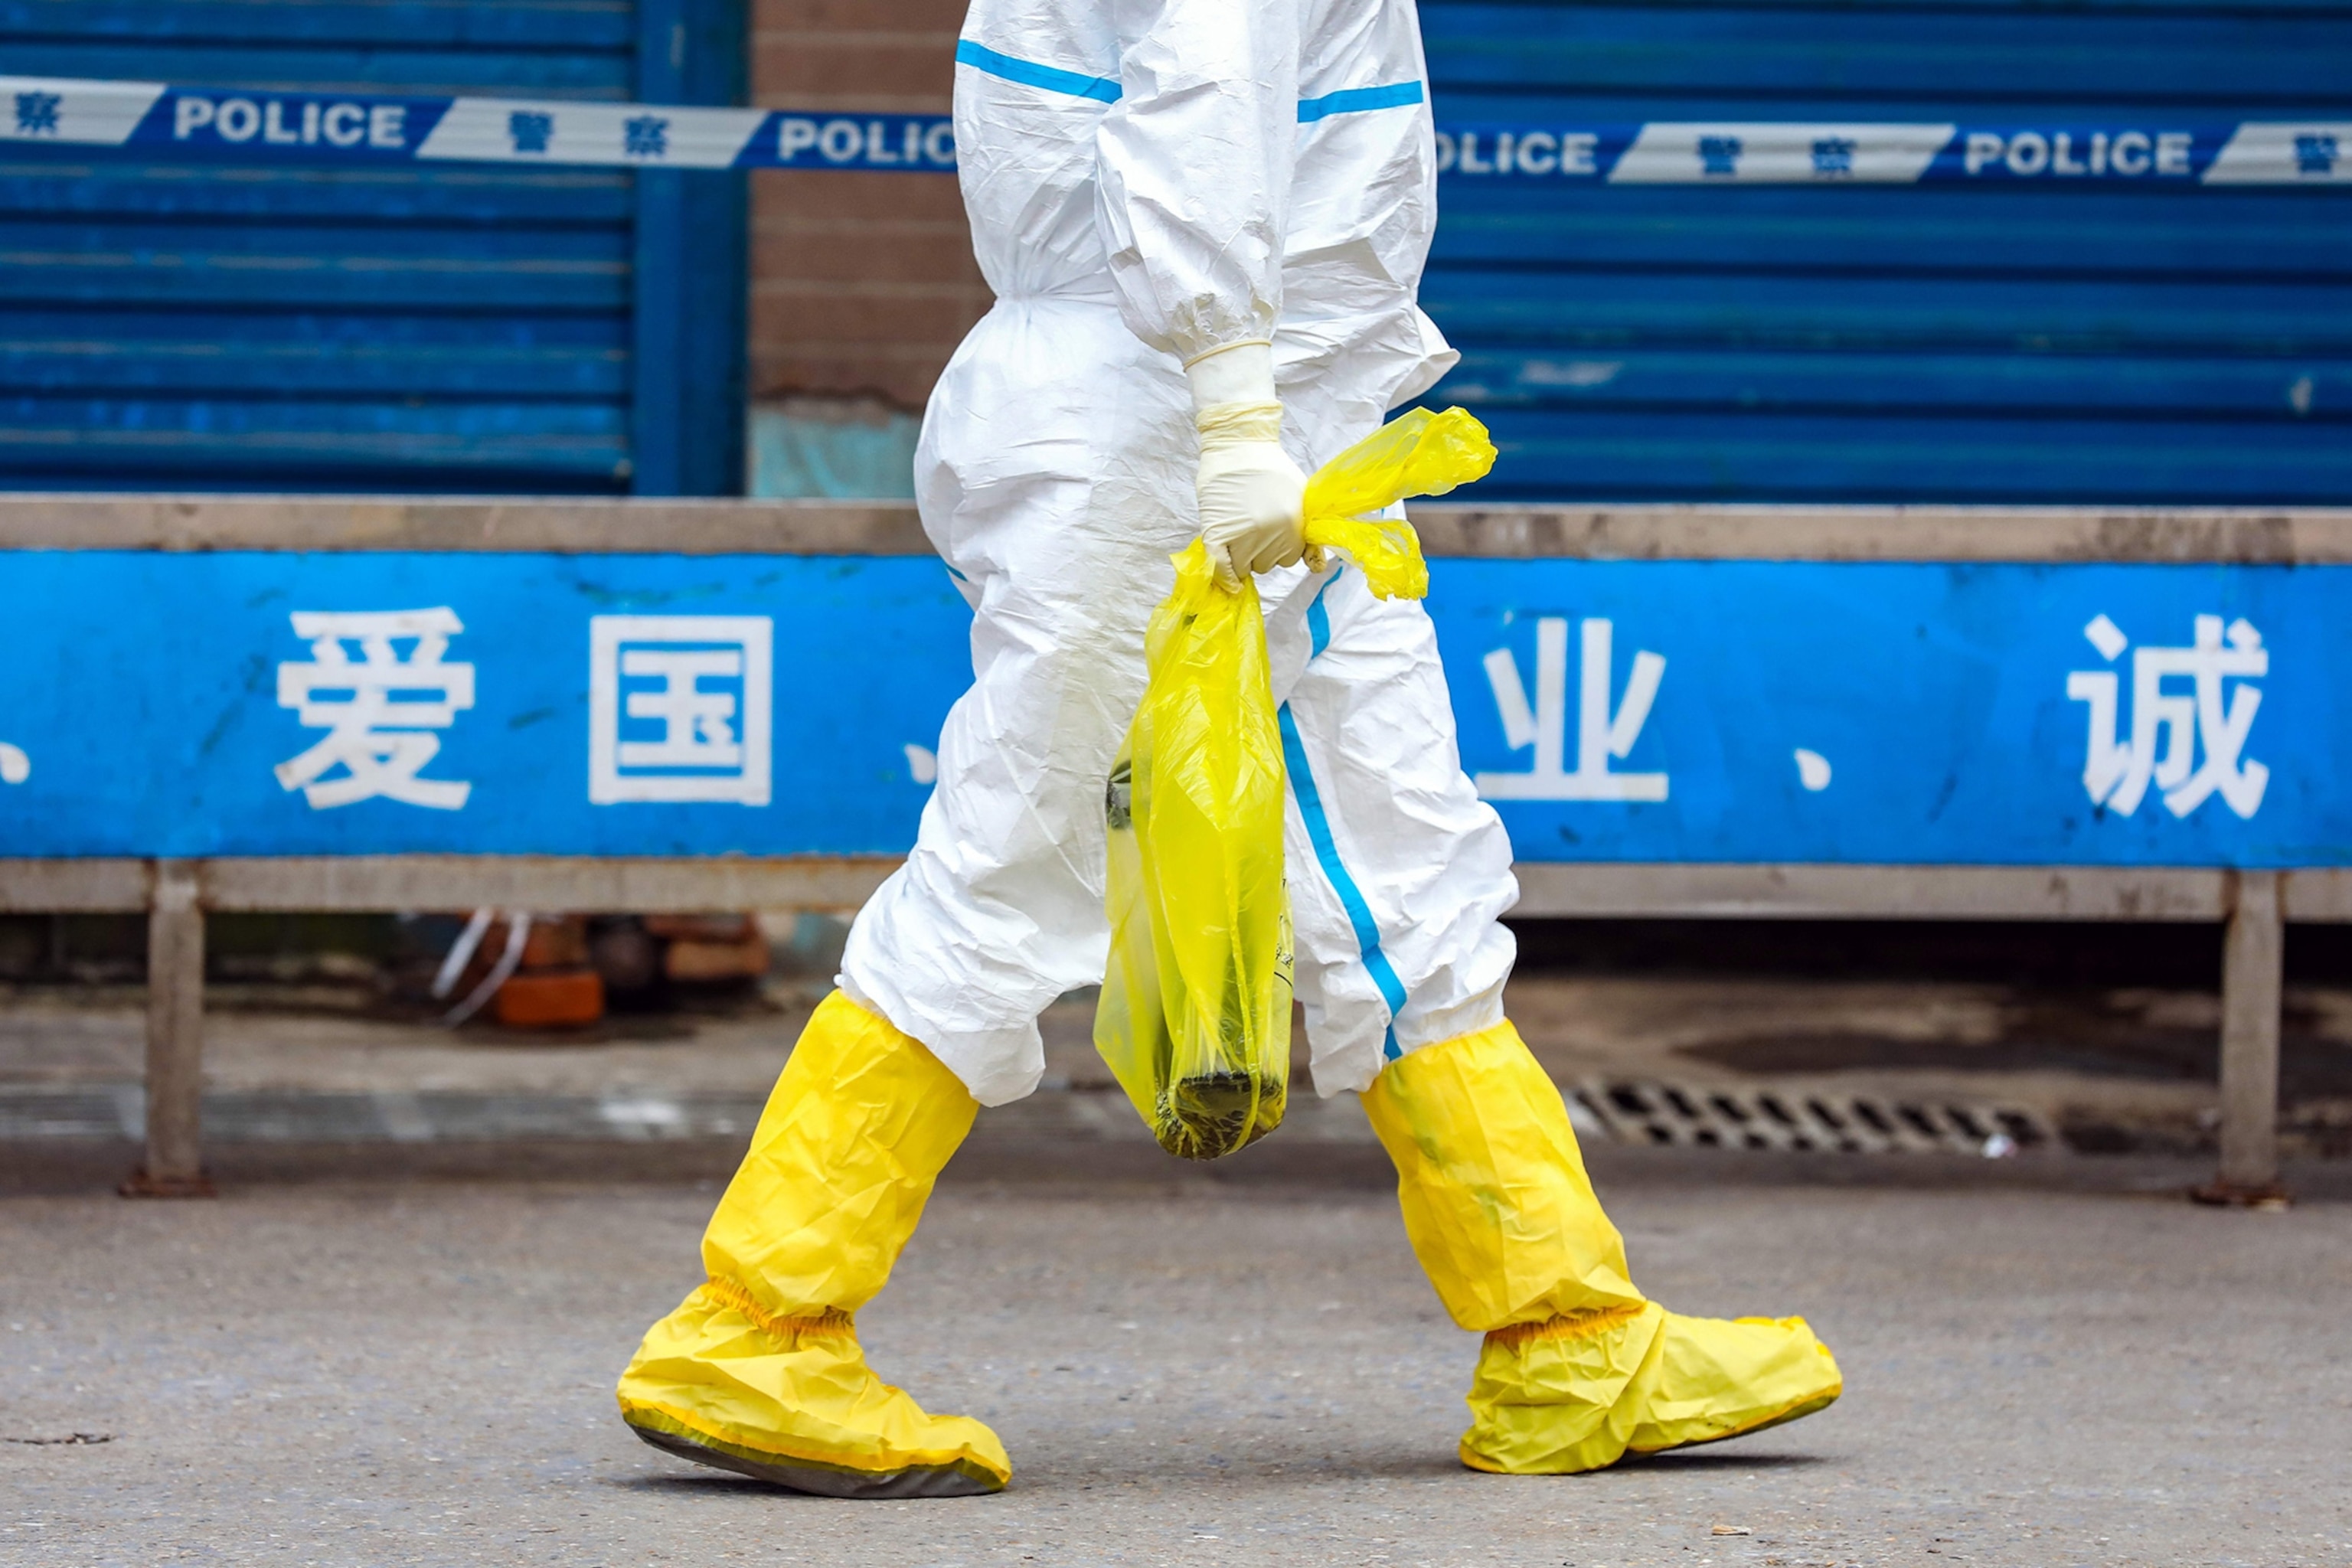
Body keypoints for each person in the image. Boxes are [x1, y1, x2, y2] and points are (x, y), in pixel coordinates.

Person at [615, 0, 1842, 1496]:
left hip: (1204, 420)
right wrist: (1236, 411)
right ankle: (758, 1317)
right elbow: (1202, 101)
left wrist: (1249, 413)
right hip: (1187, 435)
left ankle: (1563, 1327)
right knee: (1022, 866)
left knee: (1396, 862)